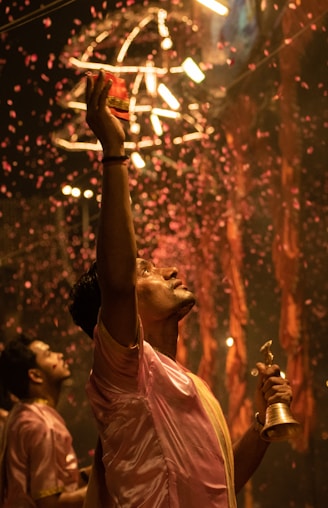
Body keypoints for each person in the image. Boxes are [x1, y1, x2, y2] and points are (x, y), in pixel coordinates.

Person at [69, 69, 294, 507]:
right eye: (147, 269)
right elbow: (115, 282)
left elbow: (222, 483)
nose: (170, 271)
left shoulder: (187, 382)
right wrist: (114, 151)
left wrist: (264, 423)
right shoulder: (124, 374)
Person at [0, 334, 90, 508]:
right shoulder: (43, 425)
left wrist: (91, 474)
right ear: (35, 375)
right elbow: (49, 504)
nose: (60, 355)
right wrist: (105, 488)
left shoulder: (21, 414)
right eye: (49, 354)